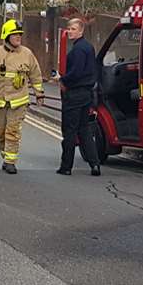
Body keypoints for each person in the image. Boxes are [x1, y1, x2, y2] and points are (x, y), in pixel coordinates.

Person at [0, 19, 45, 174]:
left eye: (19, 35)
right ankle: (6, 156)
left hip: (19, 101)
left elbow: (36, 75)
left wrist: (39, 94)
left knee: (13, 131)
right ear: (6, 36)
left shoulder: (27, 54)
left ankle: (10, 162)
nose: (18, 37)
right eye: (15, 34)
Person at [56, 17, 101, 176]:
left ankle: (66, 166)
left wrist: (63, 80)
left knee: (69, 131)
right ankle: (95, 164)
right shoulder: (89, 47)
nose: (70, 31)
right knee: (85, 131)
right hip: (87, 95)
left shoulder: (78, 50)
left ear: (81, 31)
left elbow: (76, 72)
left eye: (73, 29)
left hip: (74, 94)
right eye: (69, 28)